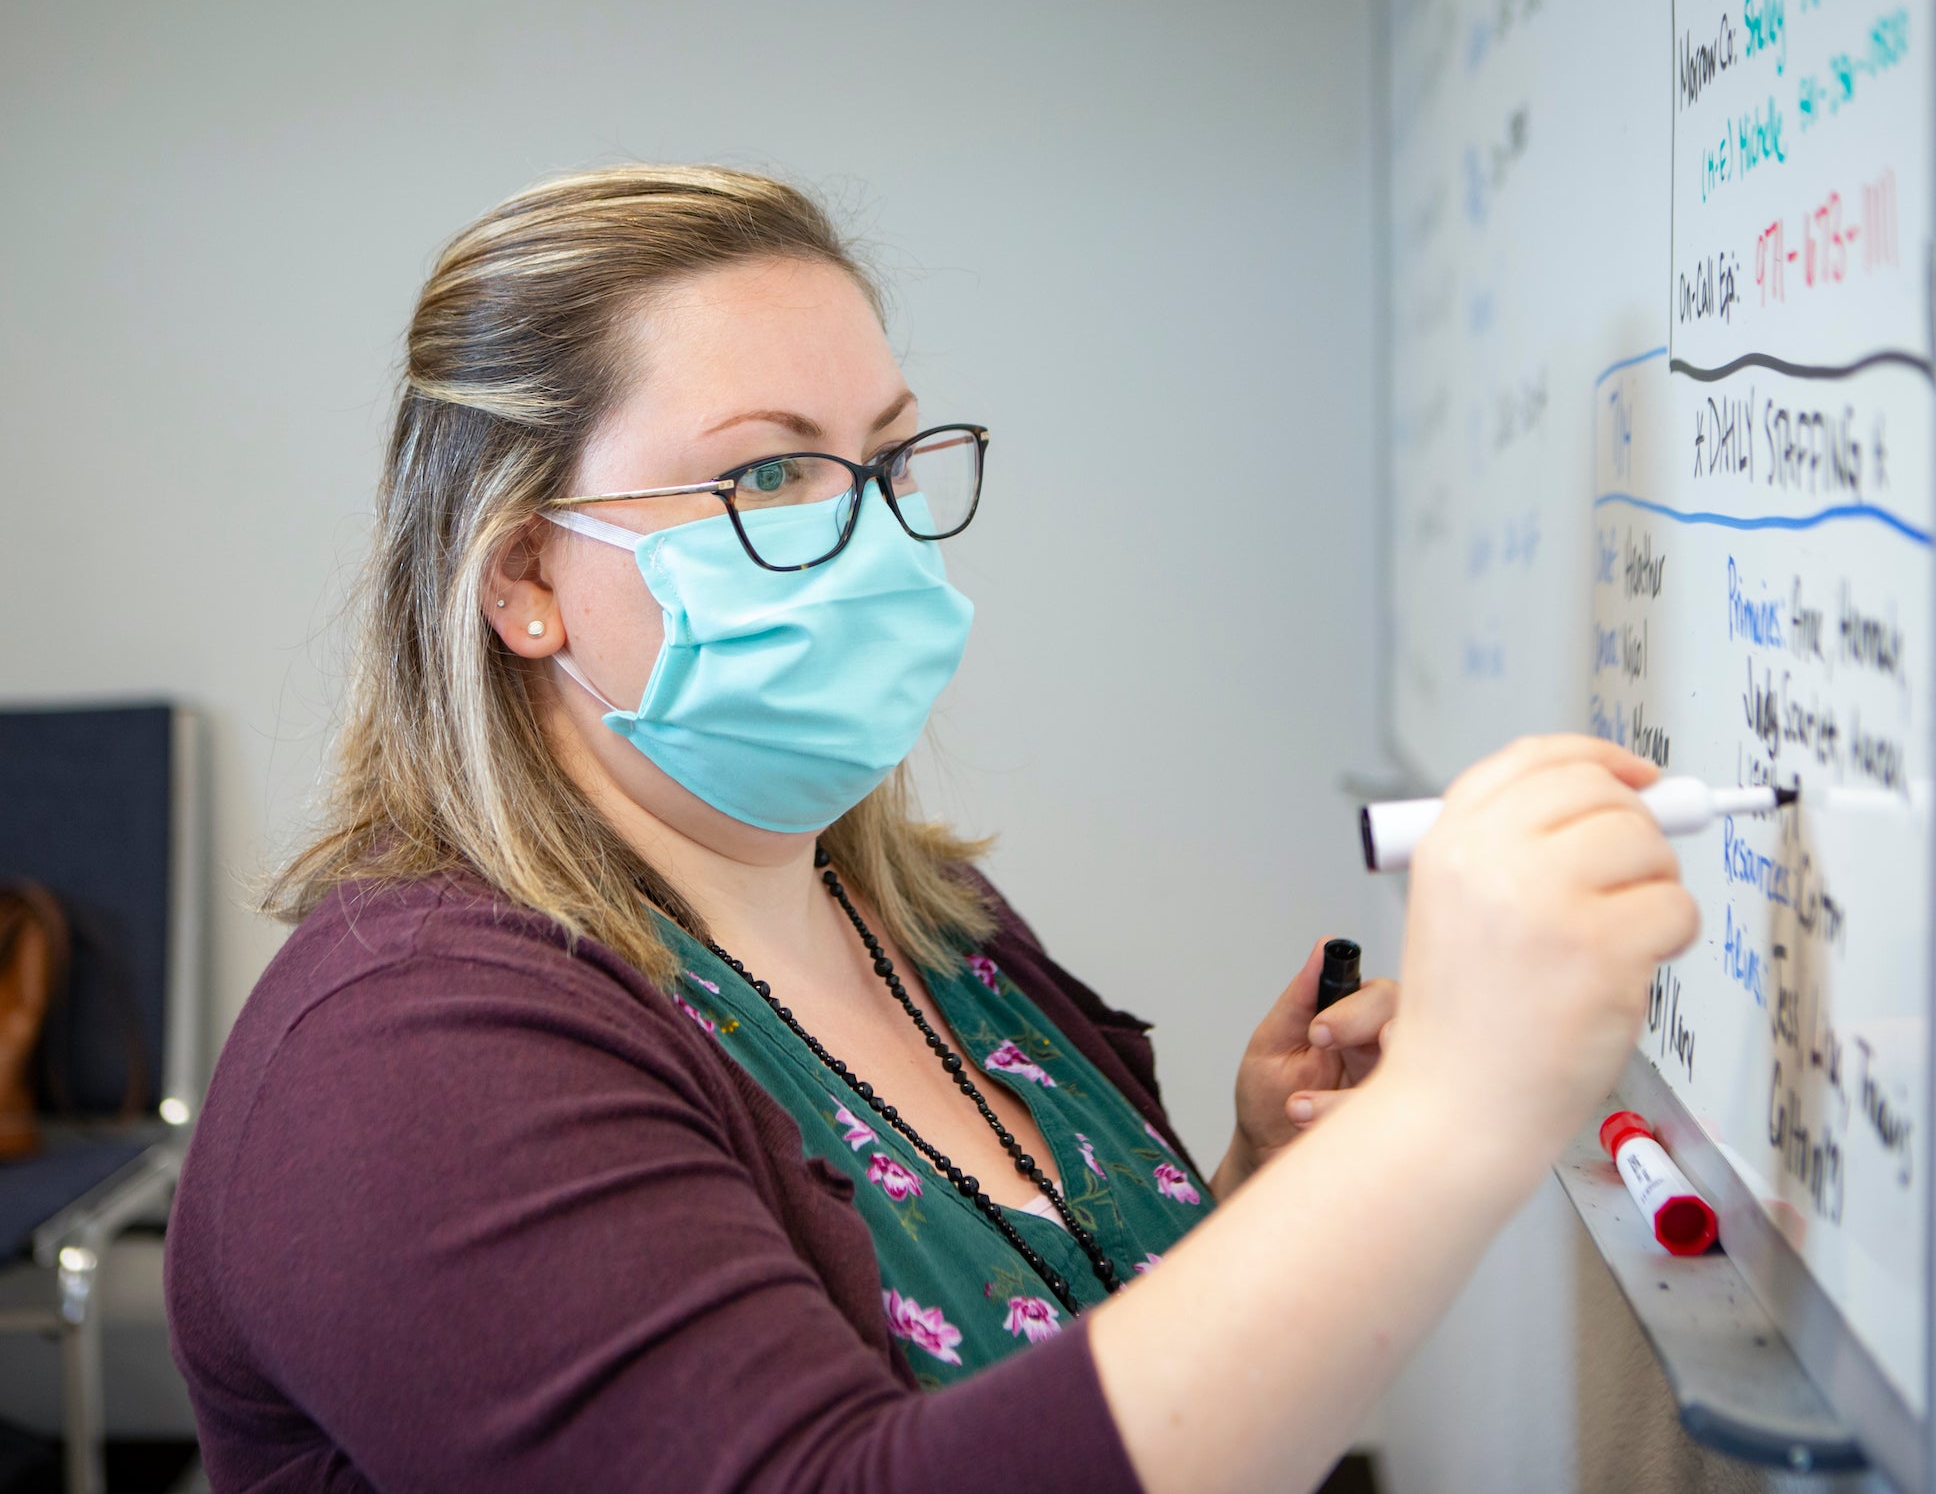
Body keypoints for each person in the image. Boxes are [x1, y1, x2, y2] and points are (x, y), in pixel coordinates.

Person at [163, 165, 1698, 1494]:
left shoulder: (918, 909)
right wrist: (1462, 1111)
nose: (873, 536)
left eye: (887, 462)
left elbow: (1041, 1392)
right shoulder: (410, 1053)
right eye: (769, 471)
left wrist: (1259, 1188)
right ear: (520, 579)